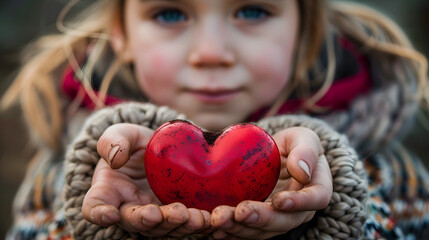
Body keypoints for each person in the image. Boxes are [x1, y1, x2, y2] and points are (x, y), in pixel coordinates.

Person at [2, 0, 429, 239]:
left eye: (253, 11)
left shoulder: (390, 171)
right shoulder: (60, 178)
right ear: (122, 36)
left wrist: (331, 217)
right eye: (170, 14)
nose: (211, 51)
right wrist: (107, 227)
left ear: (304, 31)